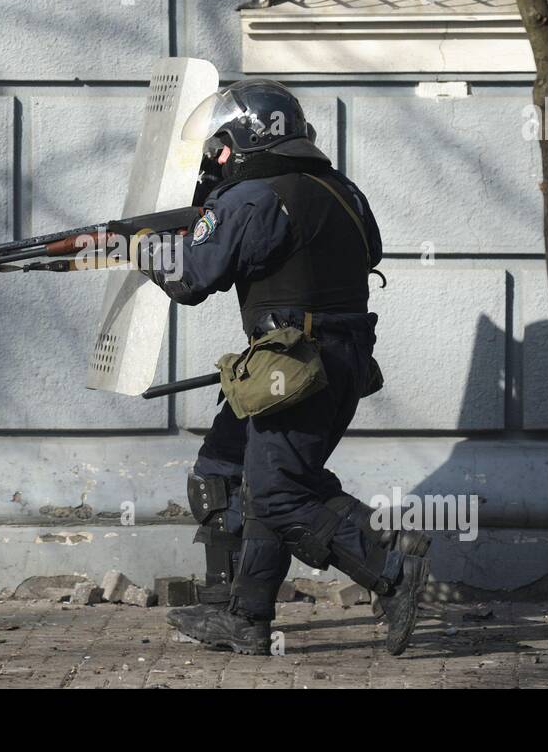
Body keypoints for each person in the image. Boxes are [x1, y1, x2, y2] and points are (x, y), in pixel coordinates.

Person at [135, 78, 431, 656]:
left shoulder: (252, 198)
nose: (212, 159)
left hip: (293, 372)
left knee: (275, 494)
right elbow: (354, 253)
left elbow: (190, 277)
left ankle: (390, 562)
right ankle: (244, 618)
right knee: (224, 469)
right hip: (332, 362)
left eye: (218, 146)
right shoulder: (344, 190)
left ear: (243, 140)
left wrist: (144, 245)